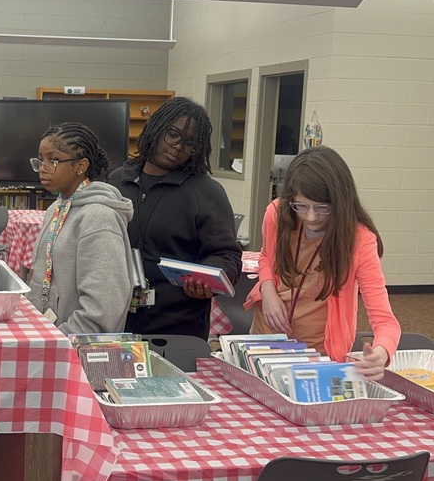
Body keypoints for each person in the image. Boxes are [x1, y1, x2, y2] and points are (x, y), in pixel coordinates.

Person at [243, 145, 401, 380]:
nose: (311, 217)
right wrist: (268, 291)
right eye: (301, 206)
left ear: (340, 203)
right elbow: (266, 257)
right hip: (267, 338)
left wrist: (381, 353)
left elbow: (385, 320)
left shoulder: (359, 240)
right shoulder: (277, 214)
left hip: (318, 352)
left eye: (322, 208)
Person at [109, 97, 242, 340]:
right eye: (173, 134)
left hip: (177, 330)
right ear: (156, 128)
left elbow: (228, 256)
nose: (178, 147)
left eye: (190, 143)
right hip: (115, 322)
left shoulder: (206, 192)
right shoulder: (117, 181)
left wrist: (209, 276)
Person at [27, 122, 135, 334]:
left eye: (54, 160)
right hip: (46, 336)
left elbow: (102, 310)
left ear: (81, 166)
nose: (43, 167)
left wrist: (58, 340)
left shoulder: (99, 217)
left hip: (75, 348)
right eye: (40, 160)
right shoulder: (56, 208)